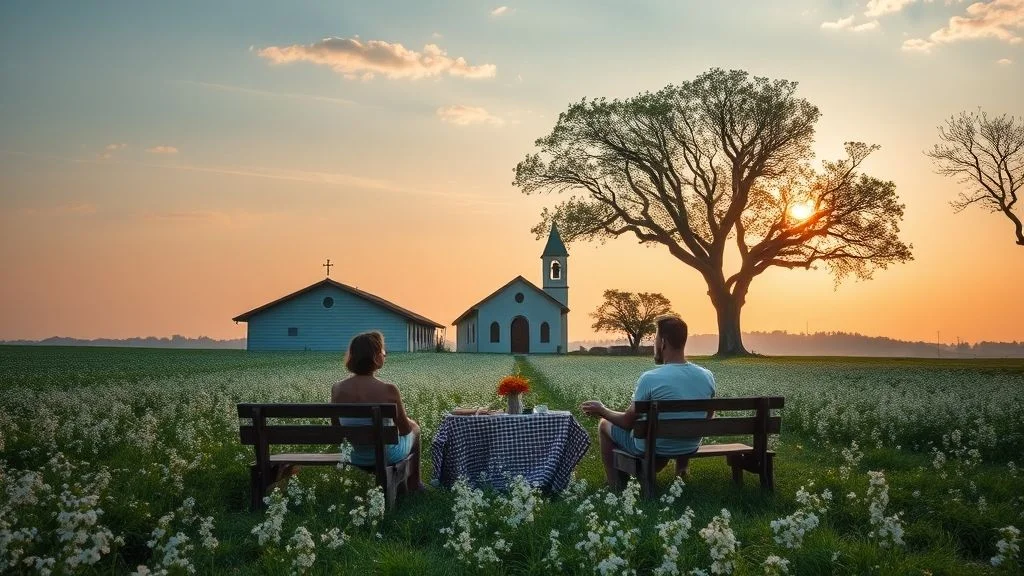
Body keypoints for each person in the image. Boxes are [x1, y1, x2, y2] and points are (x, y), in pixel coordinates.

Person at [580, 314, 716, 486]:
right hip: (690, 445)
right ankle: (682, 471)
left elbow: (627, 422)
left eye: (655, 339)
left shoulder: (650, 378)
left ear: (663, 342)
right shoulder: (706, 376)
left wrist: (602, 410)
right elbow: (708, 417)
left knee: (604, 425)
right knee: (680, 422)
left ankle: (613, 483)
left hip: (655, 446)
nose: (654, 344)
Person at [331, 331, 423, 491]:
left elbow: (336, 428)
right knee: (415, 428)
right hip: (385, 455)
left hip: (353, 455)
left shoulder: (337, 388)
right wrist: (411, 423)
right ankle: (414, 484)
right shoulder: (389, 390)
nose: (385, 355)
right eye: (382, 351)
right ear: (375, 357)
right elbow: (405, 430)